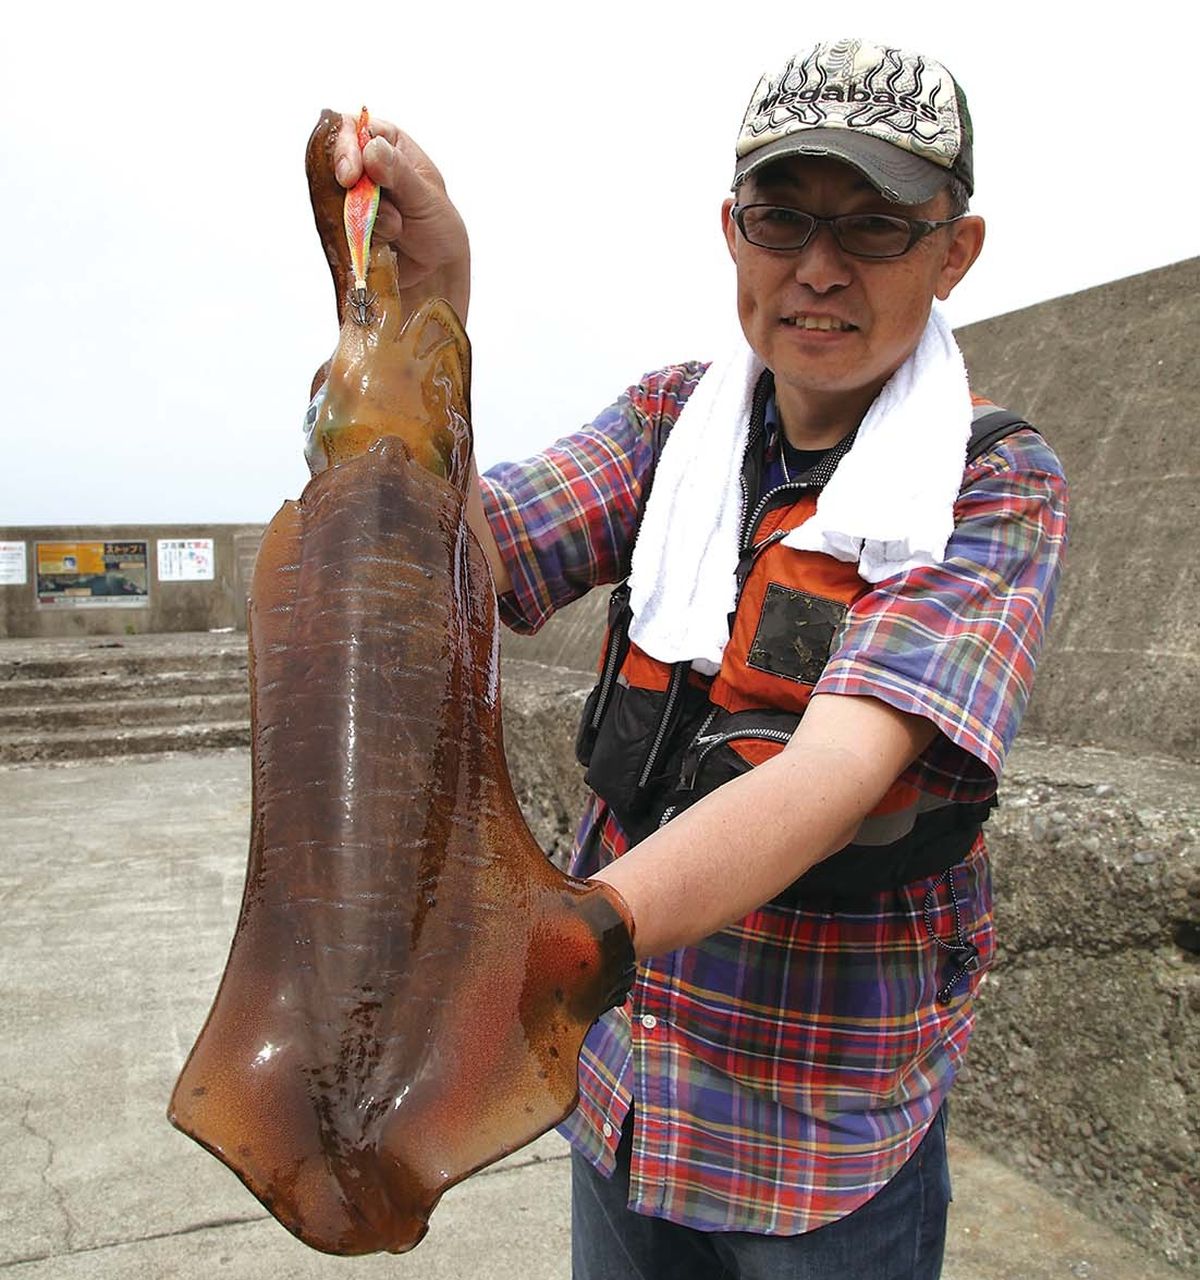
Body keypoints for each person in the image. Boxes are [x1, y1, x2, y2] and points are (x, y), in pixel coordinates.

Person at [334, 37, 1068, 1280]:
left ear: (956, 249)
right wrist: (421, 311)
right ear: (732, 231)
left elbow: (836, 768)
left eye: (877, 227)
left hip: (821, 1151)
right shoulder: (672, 421)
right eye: (783, 219)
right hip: (618, 1091)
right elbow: (449, 559)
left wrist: (564, 938)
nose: (819, 269)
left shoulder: (991, 482)